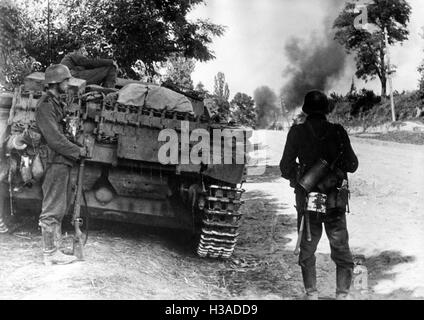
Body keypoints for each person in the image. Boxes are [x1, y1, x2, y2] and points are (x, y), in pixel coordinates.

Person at [280, 90, 359, 300]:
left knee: (307, 247)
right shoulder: (338, 132)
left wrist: (305, 178)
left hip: (308, 201)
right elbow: (353, 165)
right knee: (341, 247)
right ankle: (342, 295)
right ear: (326, 110)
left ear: (306, 110)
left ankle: (311, 294)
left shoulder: (297, 132)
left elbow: (285, 167)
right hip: (334, 201)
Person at [35, 64, 88, 265]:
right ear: (56, 82)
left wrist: (76, 145)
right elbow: (54, 139)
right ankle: (49, 253)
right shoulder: (46, 105)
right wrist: (77, 151)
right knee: (52, 207)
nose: (68, 84)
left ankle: (54, 249)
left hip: (60, 160)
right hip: (53, 160)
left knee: (59, 206)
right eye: (65, 80)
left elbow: (62, 135)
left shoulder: (55, 103)